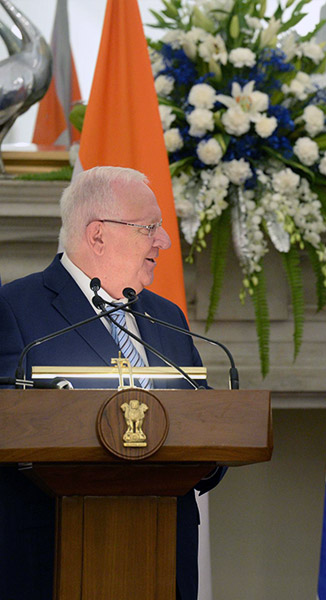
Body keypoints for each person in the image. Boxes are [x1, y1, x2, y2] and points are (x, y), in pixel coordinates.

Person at [0, 166, 222, 600]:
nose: (164, 241)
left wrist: (211, 455)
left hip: (164, 561)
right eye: (149, 228)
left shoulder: (168, 317)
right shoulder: (13, 309)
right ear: (97, 235)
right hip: (53, 560)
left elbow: (208, 416)